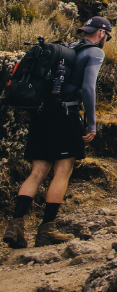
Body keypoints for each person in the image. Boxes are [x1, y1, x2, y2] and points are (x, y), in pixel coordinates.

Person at [3, 16, 110, 249]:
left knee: (38, 170)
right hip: (66, 114)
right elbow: (88, 88)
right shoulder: (94, 53)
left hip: (41, 113)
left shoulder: (67, 49)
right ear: (101, 33)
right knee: (63, 169)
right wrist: (91, 123)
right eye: (107, 36)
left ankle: (15, 225)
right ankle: (46, 230)